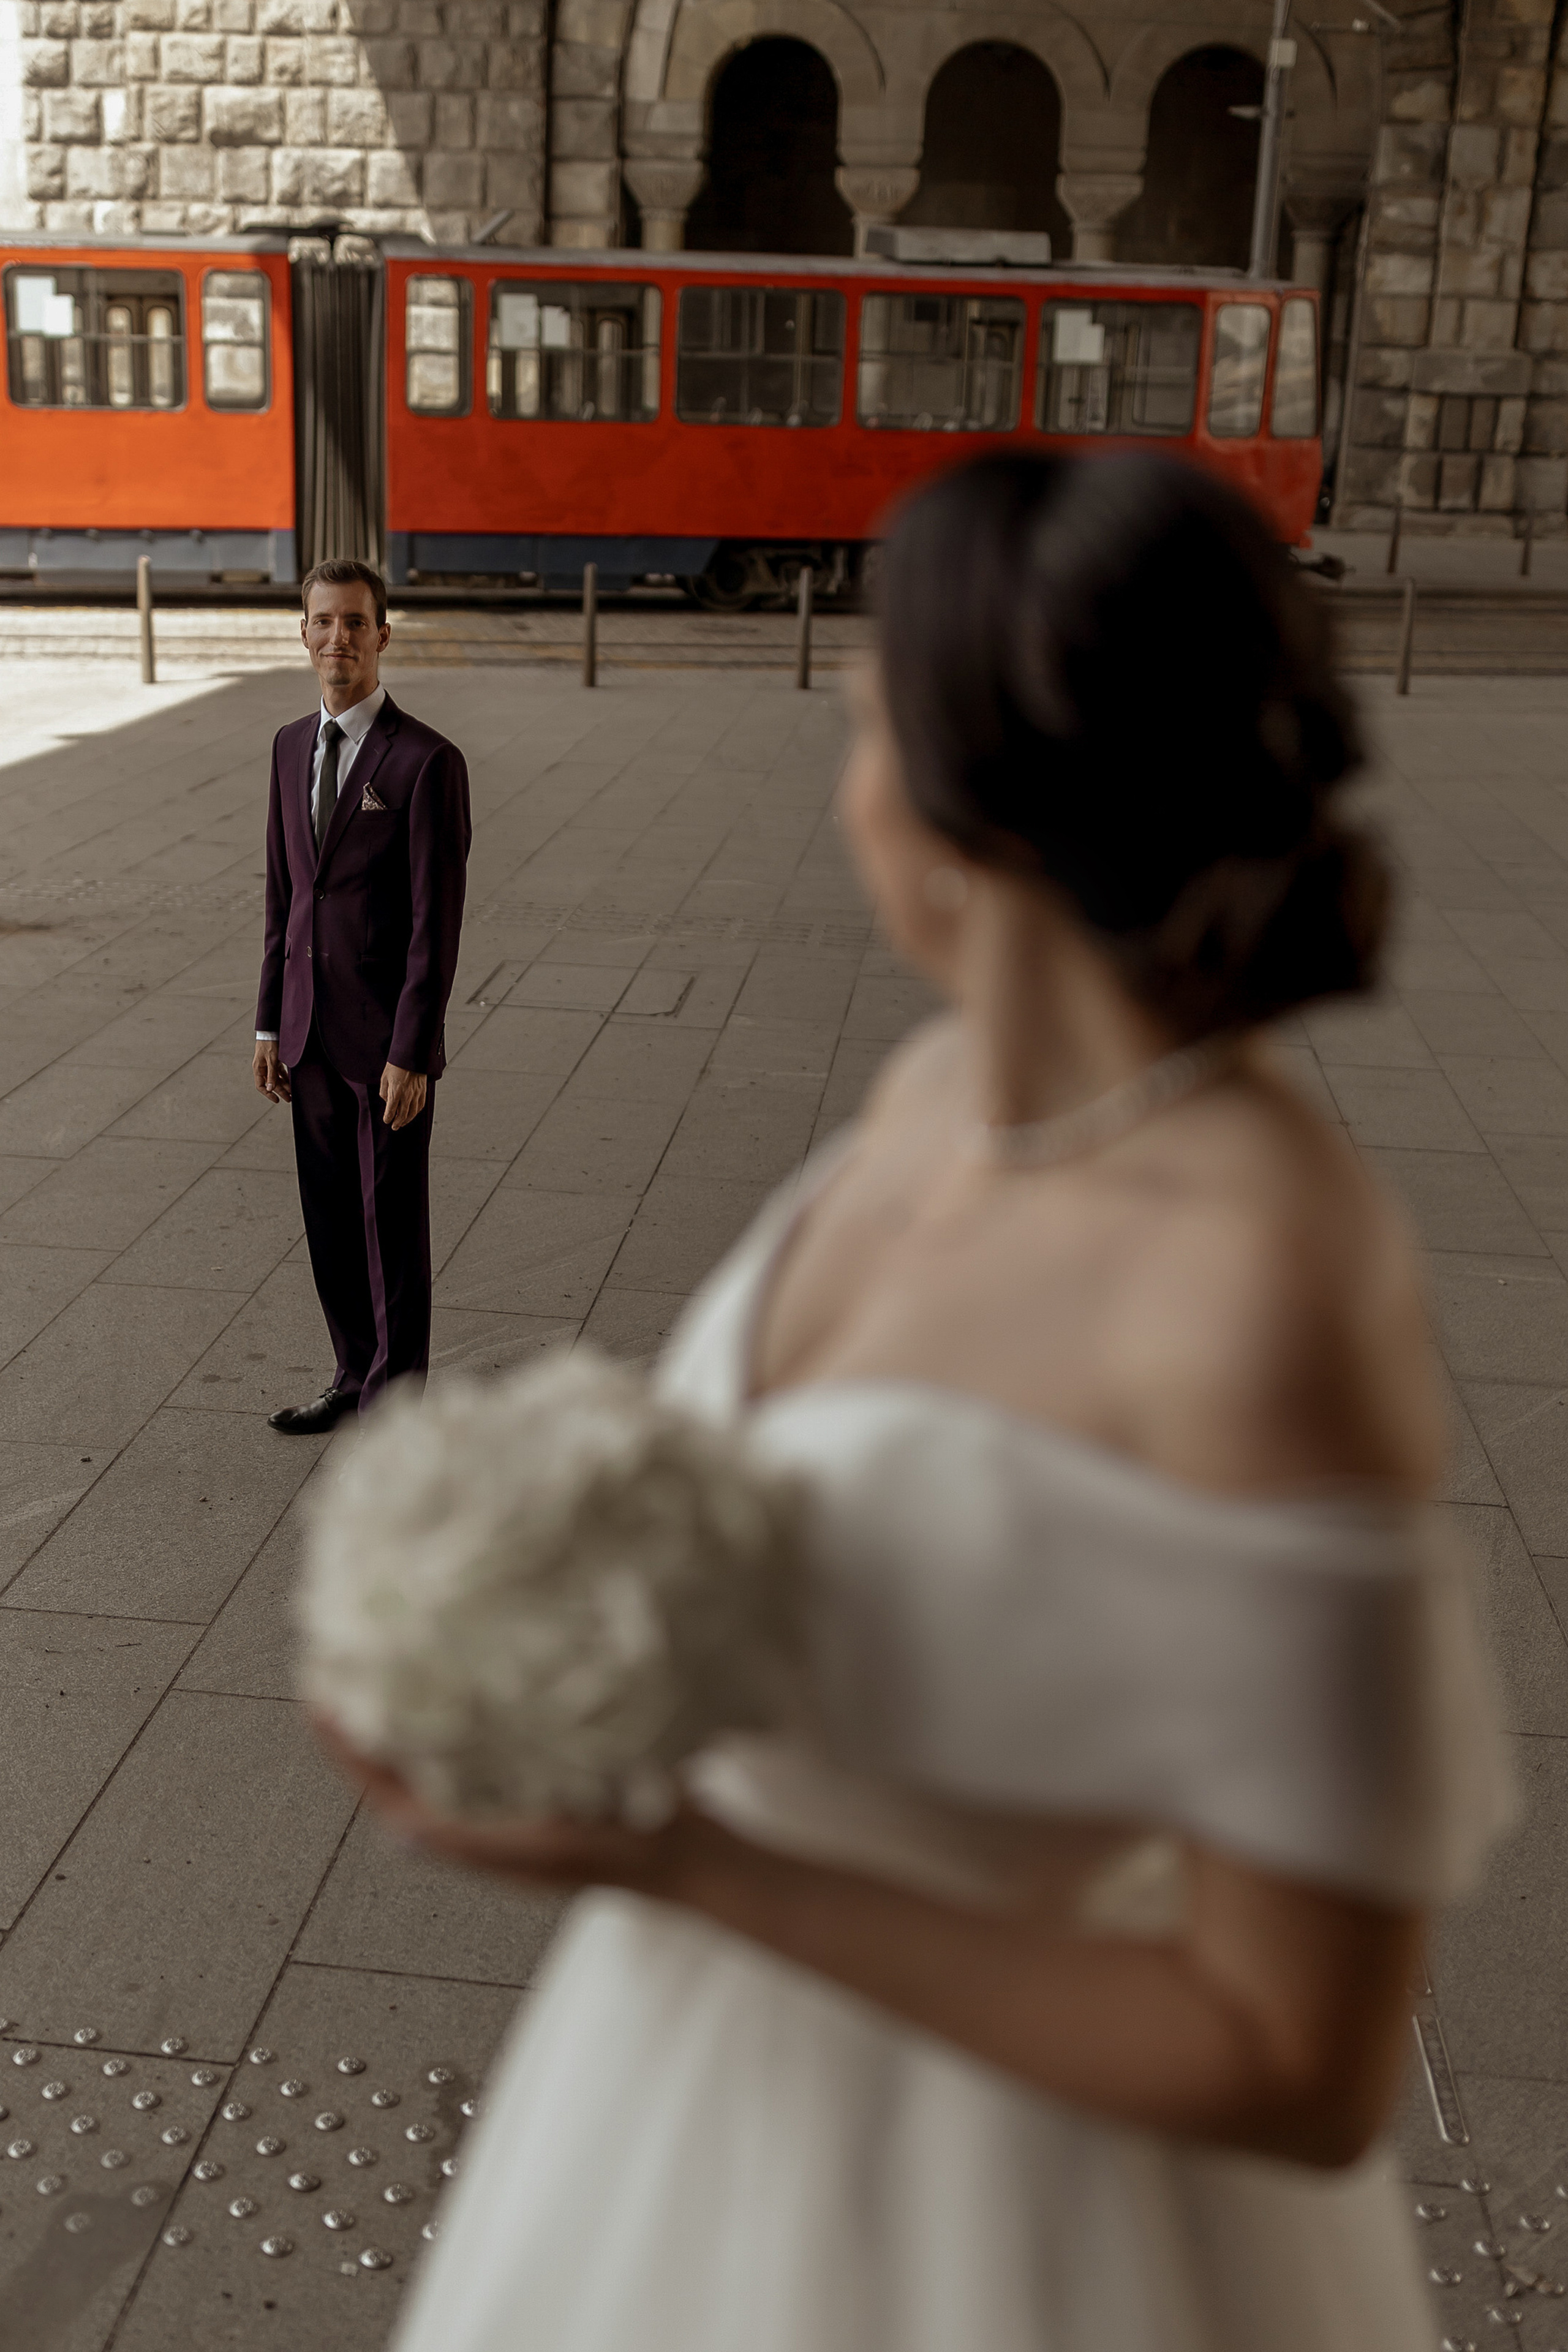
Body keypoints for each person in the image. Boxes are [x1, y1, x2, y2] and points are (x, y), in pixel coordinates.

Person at [330, 456, 1507, 2351]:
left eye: (870, 716)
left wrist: (687, 1864)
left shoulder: (1270, 1281)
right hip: (675, 2094)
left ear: (983, 793)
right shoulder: (936, 1091)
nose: (845, 769)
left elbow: (1303, 2060)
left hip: (1017, 2216)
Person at [254, 559, 471, 1433]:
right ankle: (352, 1375)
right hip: (306, 1034)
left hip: (386, 1043)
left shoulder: (425, 762)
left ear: (383, 636)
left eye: (354, 623)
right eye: (322, 622)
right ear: (303, 635)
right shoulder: (284, 748)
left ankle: (397, 1407)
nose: (337, 638)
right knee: (332, 1225)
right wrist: (269, 1019)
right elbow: (283, 896)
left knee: (391, 1230)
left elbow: (436, 923)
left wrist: (413, 1050)